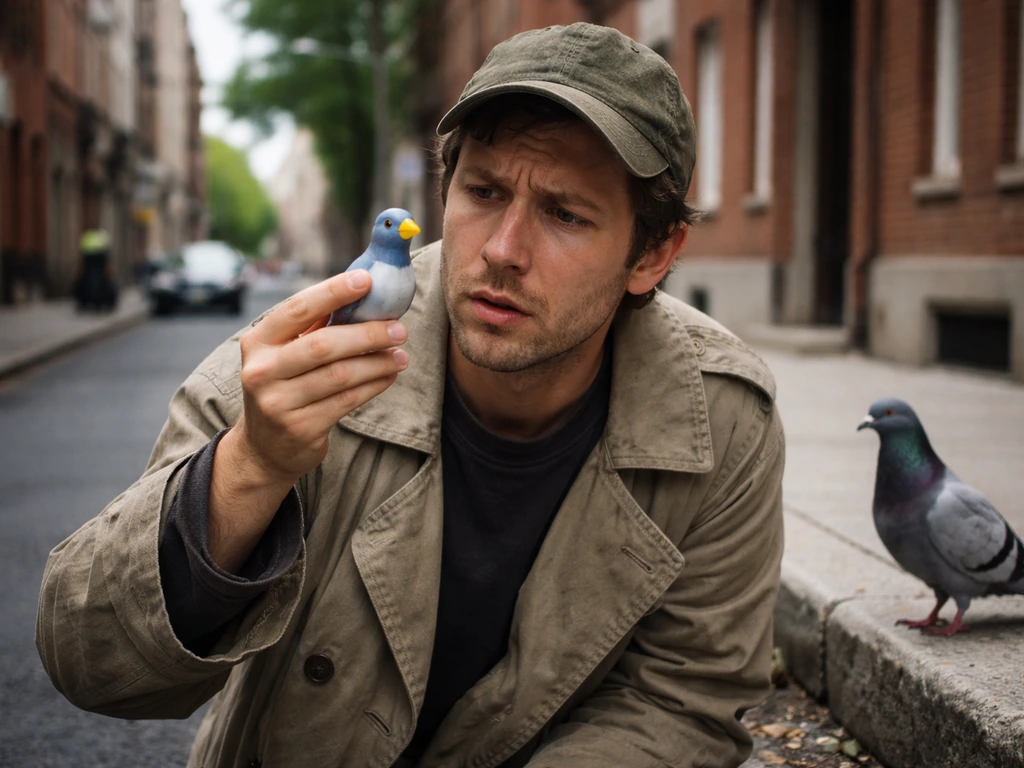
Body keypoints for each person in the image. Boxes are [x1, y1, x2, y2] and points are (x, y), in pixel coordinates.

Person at [37, 22, 784, 768]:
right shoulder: (304, 359)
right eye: (483, 191)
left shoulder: (719, 421)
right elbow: (89, 660)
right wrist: (249, 469)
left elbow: (683, 703)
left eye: (564, 214)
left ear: (653, 254)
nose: (501, 250)